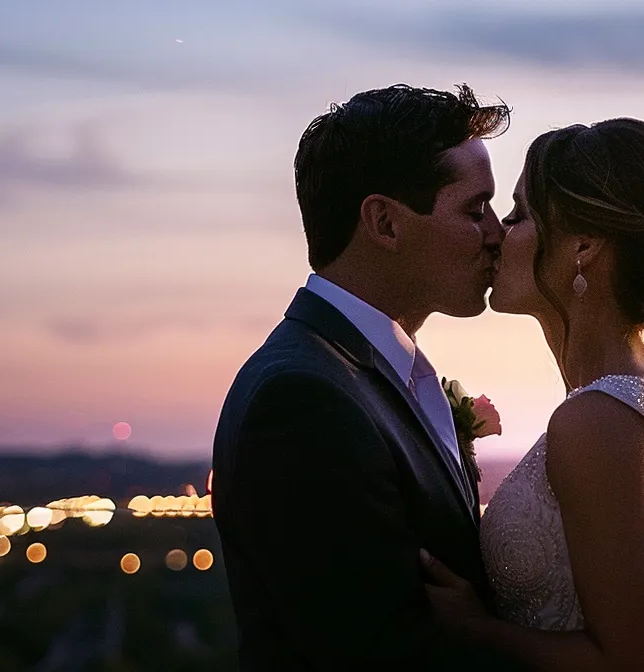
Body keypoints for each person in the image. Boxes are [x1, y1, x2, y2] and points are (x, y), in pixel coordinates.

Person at [209, 83, 518, 670]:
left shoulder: (359, 373)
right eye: (475, 209)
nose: (497, 233)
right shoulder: (301, 400)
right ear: (385, 223)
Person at [421, 118, 644, 671]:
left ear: (583, 246)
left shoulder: (597, 420)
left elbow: (635, 665)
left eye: (520, 215)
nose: (498, 233)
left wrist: (476, 629)